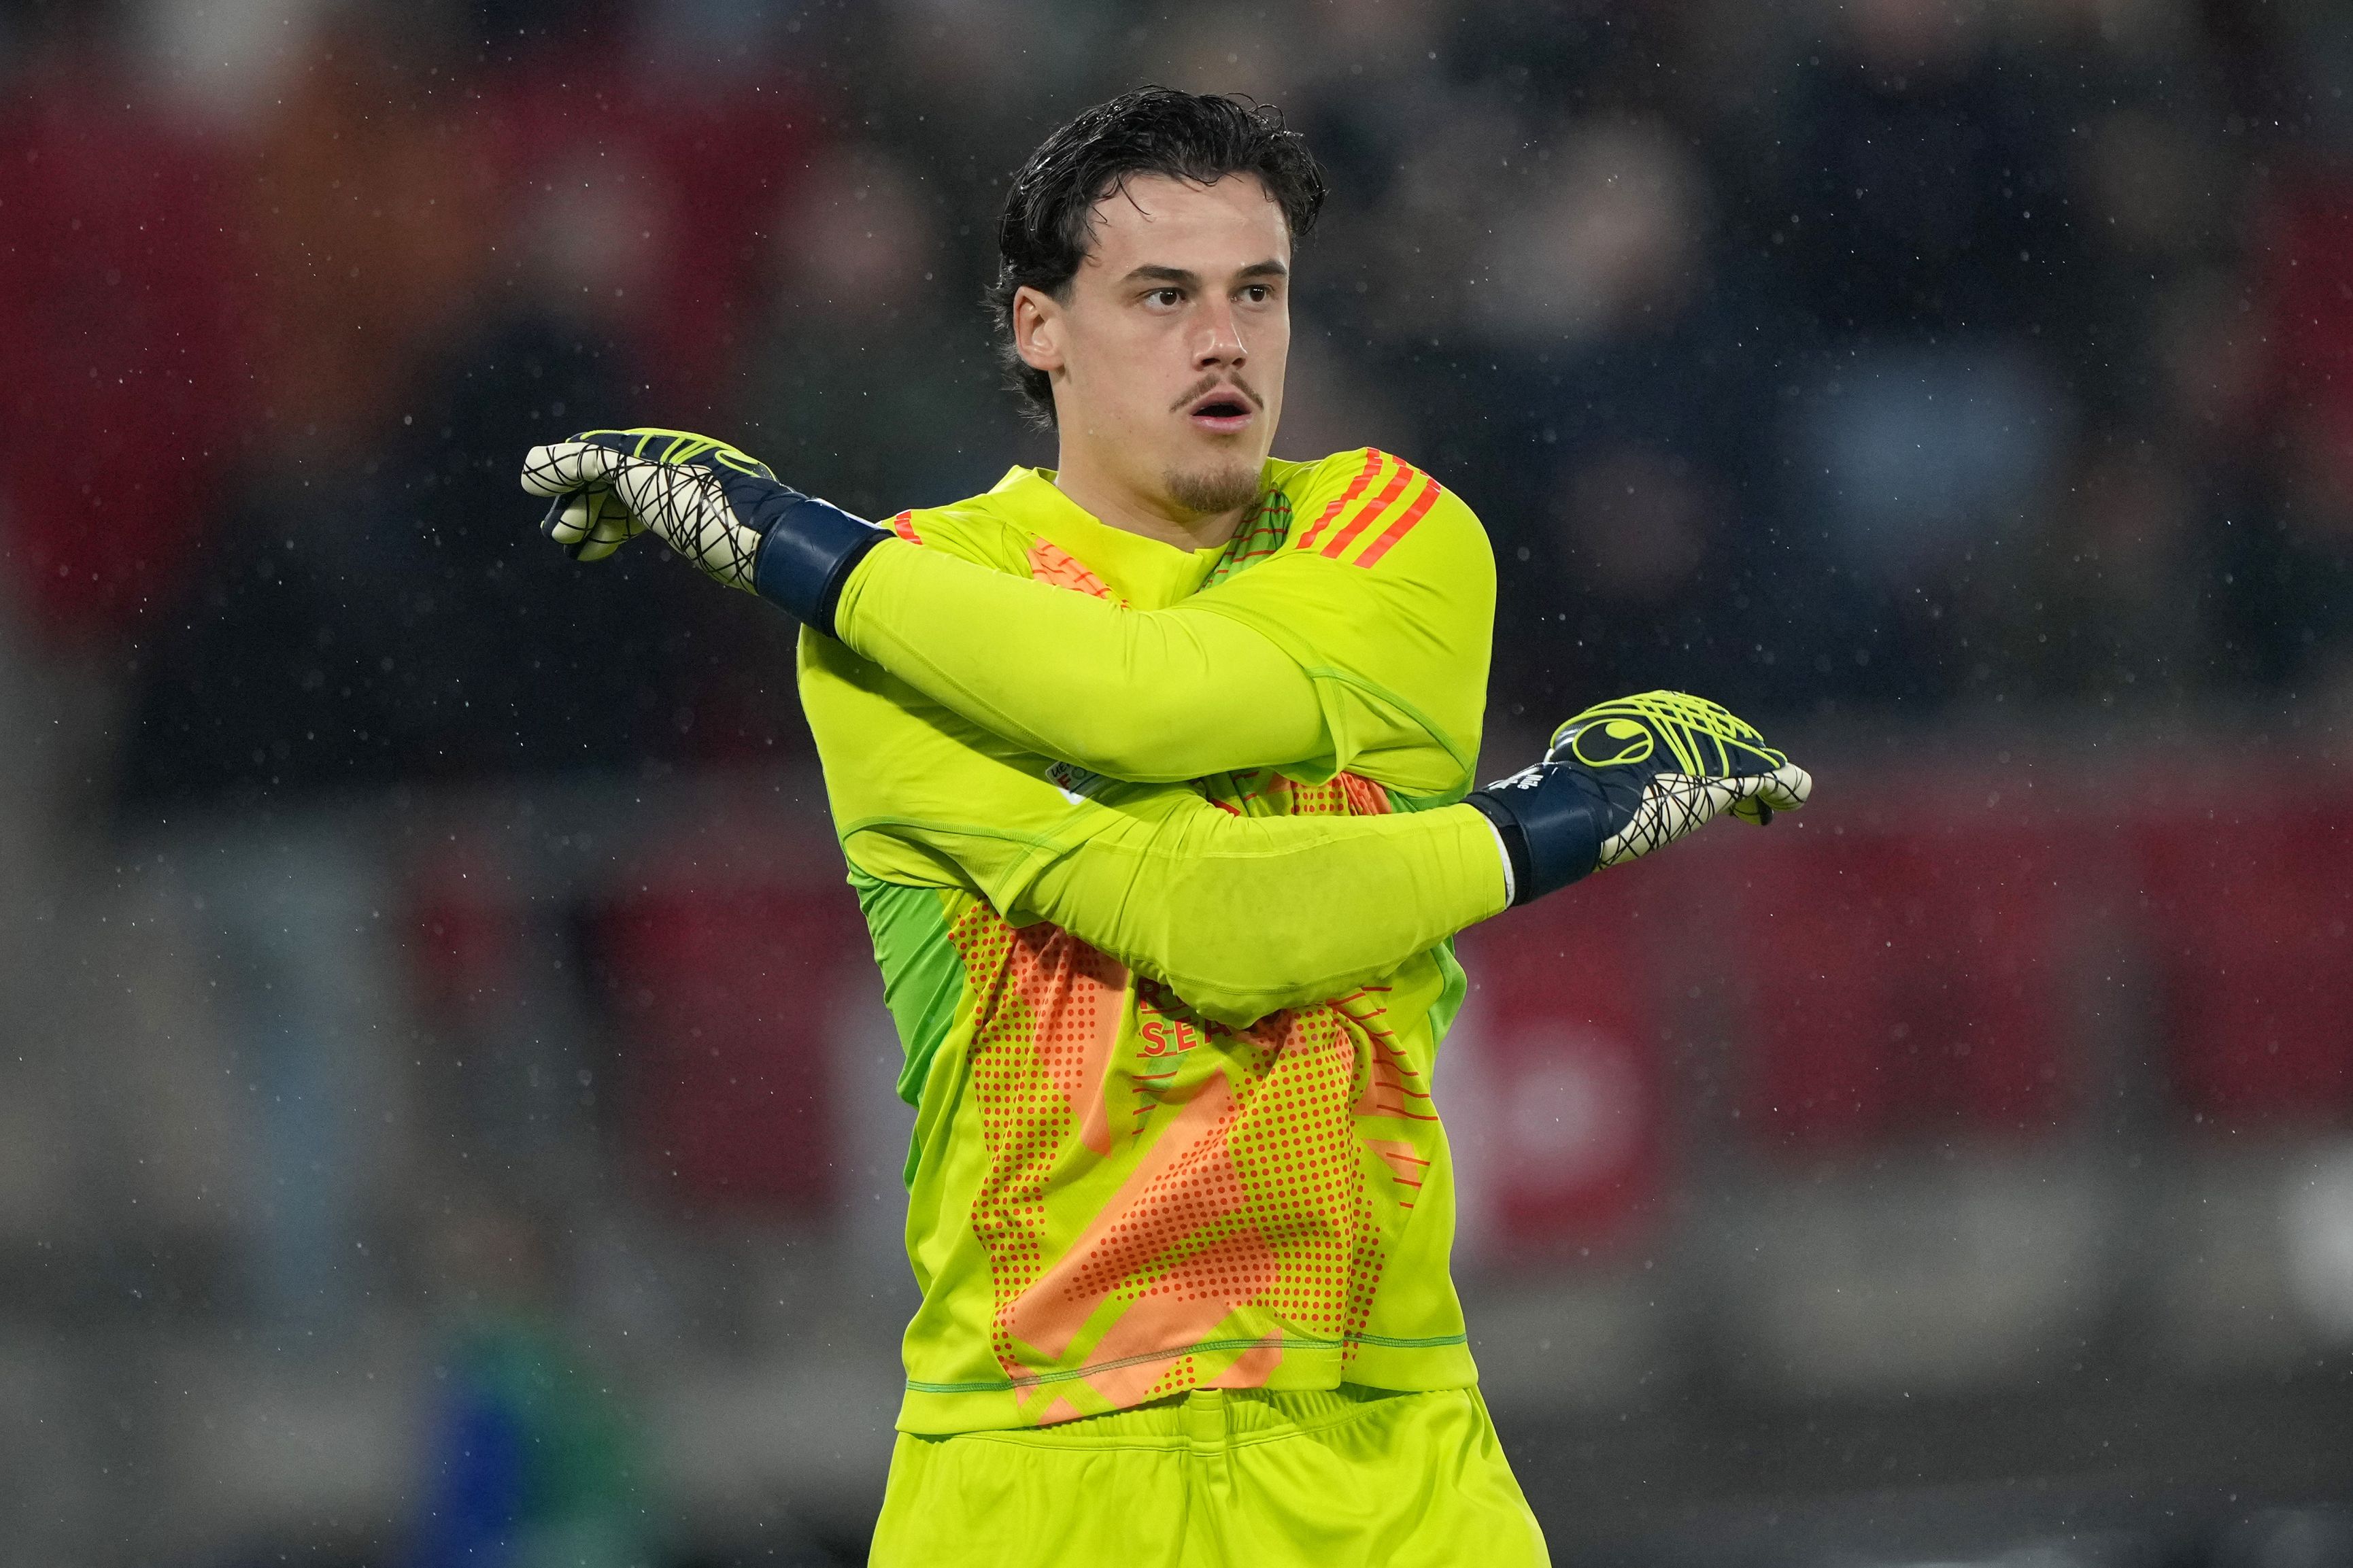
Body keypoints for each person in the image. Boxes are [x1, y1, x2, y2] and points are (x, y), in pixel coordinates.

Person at [518, 90, 1808, 1568]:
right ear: (1036, 330)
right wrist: (1546, 821)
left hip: (1385, 1453)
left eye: (1257, 292)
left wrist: (789, 546)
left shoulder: (1393, 538)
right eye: (1160, 295)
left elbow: (1146, 722)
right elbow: (1215, 921)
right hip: (1039, 1464)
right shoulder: (912, 600)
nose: (1224, 341)